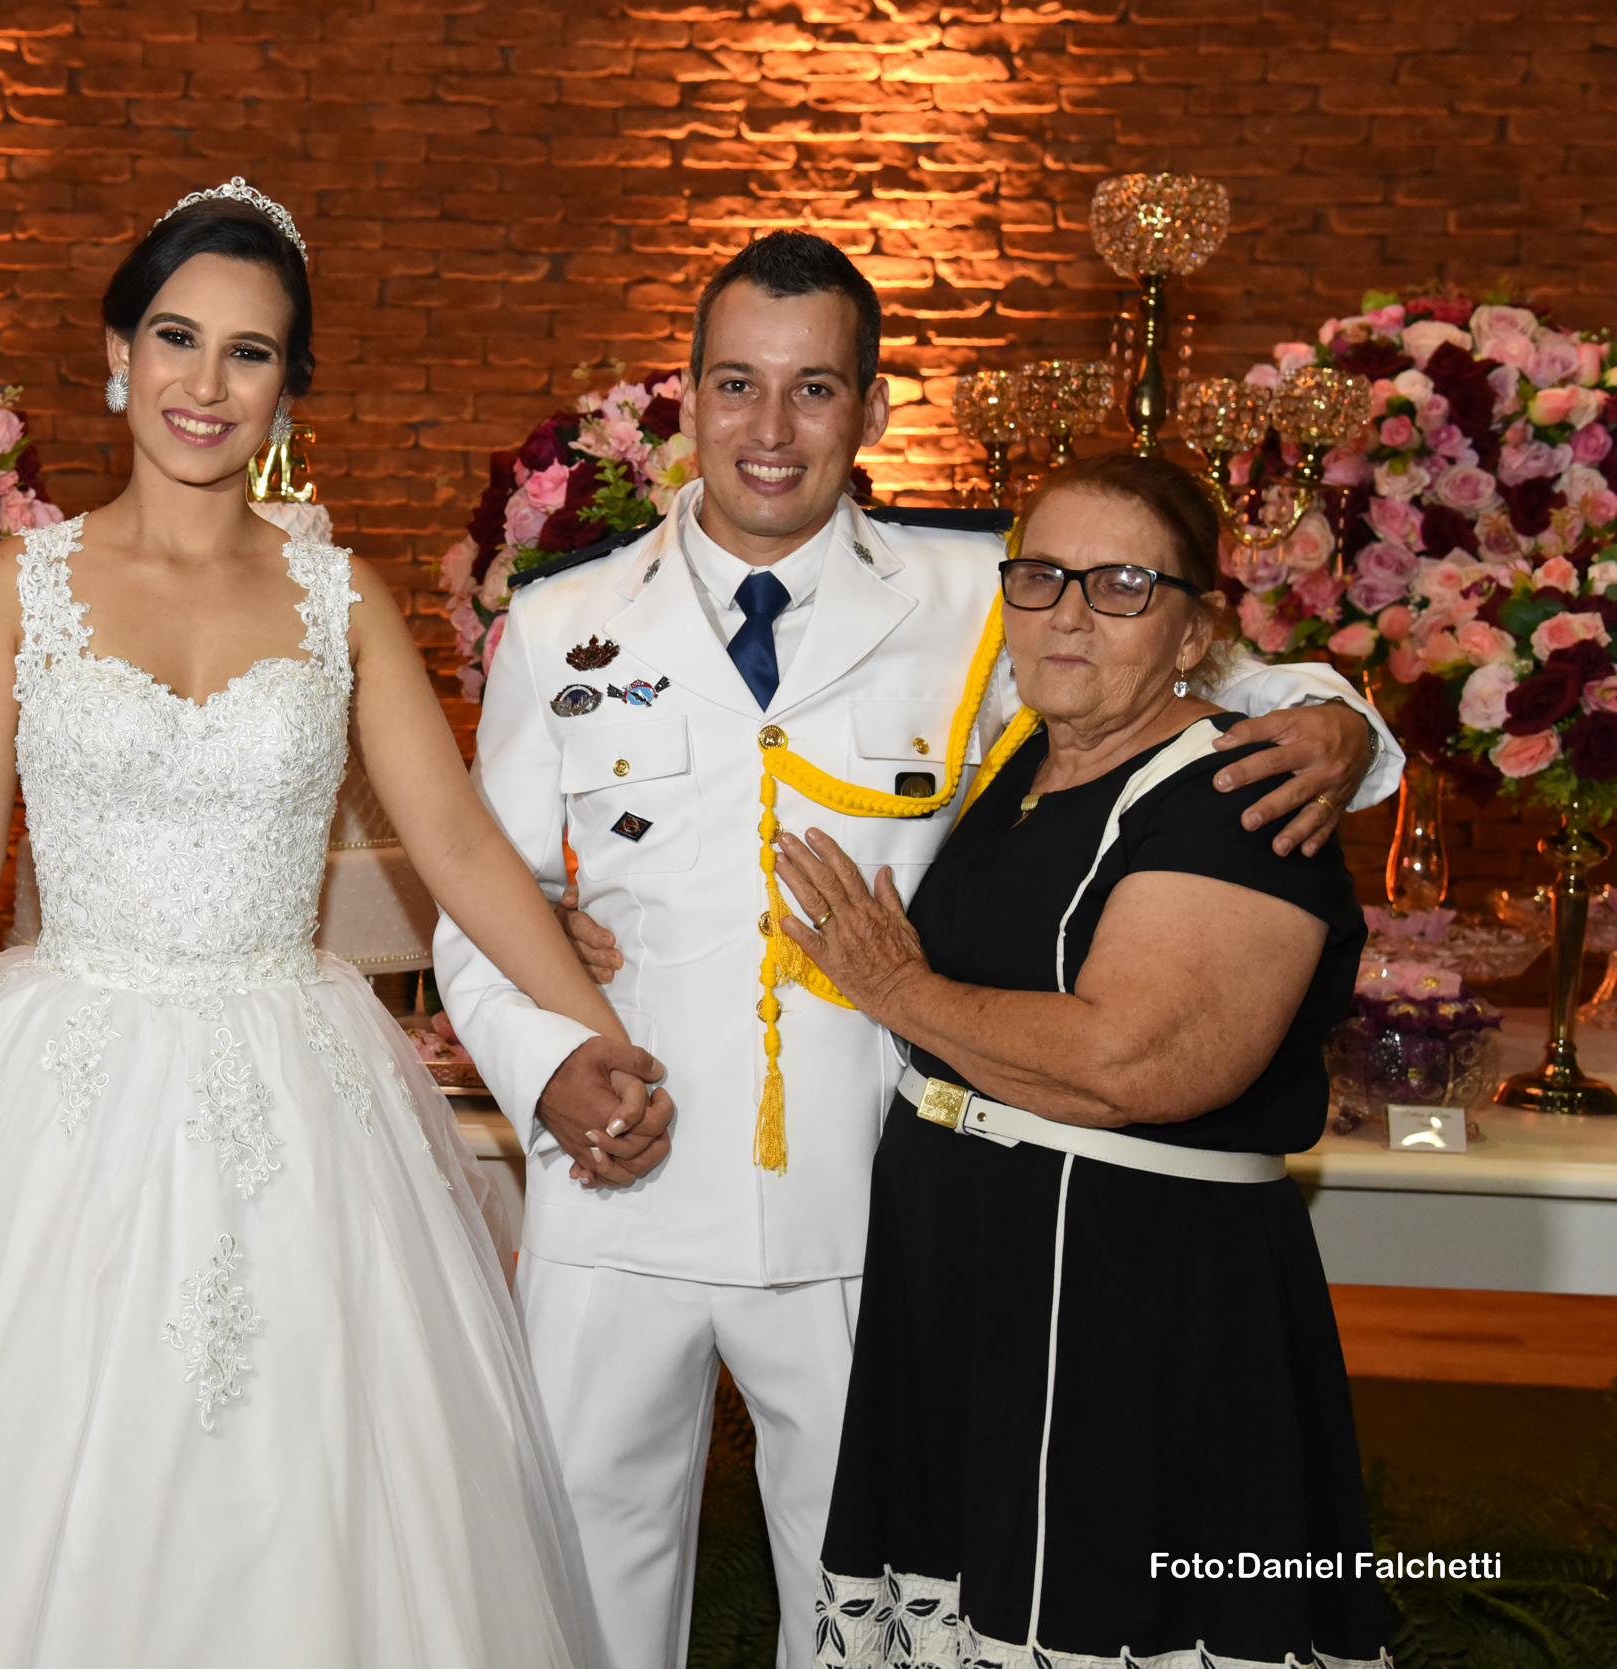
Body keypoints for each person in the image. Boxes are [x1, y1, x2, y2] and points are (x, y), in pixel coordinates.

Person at [430, 233, 1403, 1669]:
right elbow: (483, 896)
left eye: (815, 388)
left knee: (876, 1600)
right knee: (576, 1575)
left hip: (870, 1200)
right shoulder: (560, 620)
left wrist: (1341, 724)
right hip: (617, 1180)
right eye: (736, 385)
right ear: (686, 398)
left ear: (872, 410)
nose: (770, 428)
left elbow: (1190, 661)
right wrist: (550, 1065)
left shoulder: (974, 593)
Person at [0, 181, 655, 1667]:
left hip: (292, 1089)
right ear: (119, 353)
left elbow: (458, 844)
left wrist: (595, 1032)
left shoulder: (342, 599)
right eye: (177, 337)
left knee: (312, 1496)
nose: (206, 383)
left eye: (251, 352)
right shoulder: (17, 586)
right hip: (61, 1085)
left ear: (287, 387)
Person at [780, 453, 1388, 1667]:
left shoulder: (1235, 793)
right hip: (972, 1287)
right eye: (1043, 576)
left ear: (1194, 631)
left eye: (1120, 585)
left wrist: (899, 990)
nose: (1068, 612)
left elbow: (1141, 1060)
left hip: (1131, 1307)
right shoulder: (1022, 758)